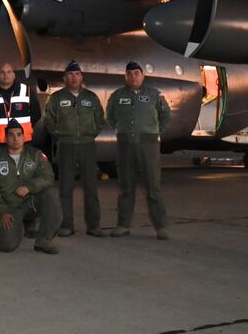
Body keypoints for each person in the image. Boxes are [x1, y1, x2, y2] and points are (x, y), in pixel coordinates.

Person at [106, 61, 172, 240]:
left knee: (153, 187)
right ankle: (123, 225)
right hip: (125, 145)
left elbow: (166, 115)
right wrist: (122, 130)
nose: (133, 76)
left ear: (143, 76)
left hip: (148, 146)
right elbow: (110, 117)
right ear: (125, 76)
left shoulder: (155, 95)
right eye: (129, 73)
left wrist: (155, 132)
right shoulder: (117, 96)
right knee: (126, 186)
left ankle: (161, 227)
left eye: (136, 73)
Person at [43, 60, 106, 237]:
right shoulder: (56, 99)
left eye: (77, 74)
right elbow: (49, 120)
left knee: (91, 188)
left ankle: (94, 225)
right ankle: (66, 225)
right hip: (66, 146)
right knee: (65, 187)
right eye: (70, 74)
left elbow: (100, 119)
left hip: (87, 146)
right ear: (64, 78)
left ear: (81, 77)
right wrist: (61, 135)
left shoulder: (91, 97)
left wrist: (90, 134)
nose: (74, 77)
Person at [0, 119, 62, 254]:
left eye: (19, 135)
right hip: (9, 208)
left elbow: (48, 177)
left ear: (24, 137)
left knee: (50, 194)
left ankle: (44, 239)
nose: (15, 138)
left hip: (31, 203)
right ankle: (18, 227)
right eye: (11, 135)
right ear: (5, 138)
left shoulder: (36, 155)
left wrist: (30, 187)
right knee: (6, 246)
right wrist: (2, 211)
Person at [0, 62, 41, 152]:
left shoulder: (27, 91)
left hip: (23, 141)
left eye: (9, 72)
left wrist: (27, 130)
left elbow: (36, 114)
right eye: (2, 72)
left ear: (14, 75)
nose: (5, 75)